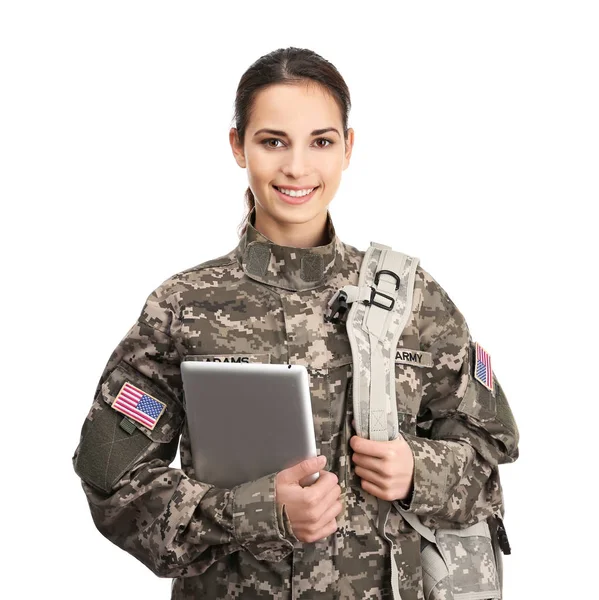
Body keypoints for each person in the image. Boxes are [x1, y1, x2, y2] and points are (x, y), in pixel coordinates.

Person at [72, 46, 519, 599]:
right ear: (238, 146)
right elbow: (112, 483)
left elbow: (487, 453)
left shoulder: (413, 300)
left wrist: (416, 471)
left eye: (321, 141)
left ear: (348, 148)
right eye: (273, 141)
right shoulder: (183, 306)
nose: (297, 168)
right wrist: (254, 512)